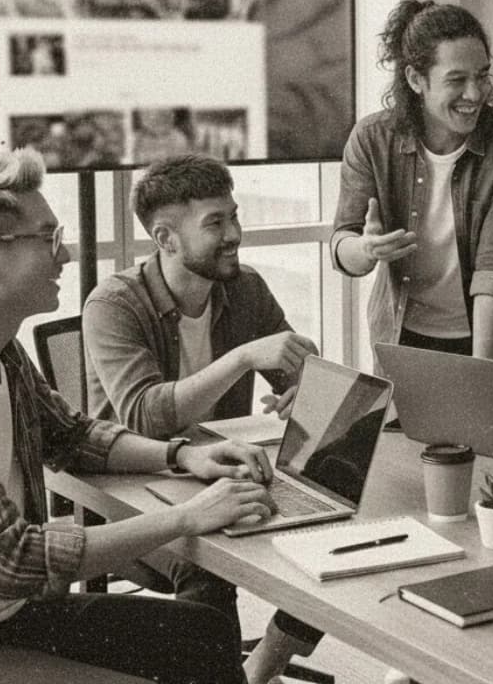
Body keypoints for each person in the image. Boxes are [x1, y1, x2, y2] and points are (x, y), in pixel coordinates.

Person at [0, 148, 276, 684]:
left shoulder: (1, 349)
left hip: (7, 614)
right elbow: (8, 558)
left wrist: (184, 455)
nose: (67, 253)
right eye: (48, 238)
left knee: (205, 634)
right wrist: (186, 517)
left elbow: (74, 435)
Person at [83, 154, 321, 684]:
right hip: (129, 495)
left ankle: (257, 672)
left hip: (222, 475)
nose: (234, 233)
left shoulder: (245, 288)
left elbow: (294, 372)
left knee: (330, 536)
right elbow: (145, 415)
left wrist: (305, 386)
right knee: (206, 572)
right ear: (166, 238)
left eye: (233, 216)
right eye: (215, 223)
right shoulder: (113, 304)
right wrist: (241, 358)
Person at [331, 0, 493, 396]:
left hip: (482, 337)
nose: (475, 94)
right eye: (456, 80)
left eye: (482, 76)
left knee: (474, 452)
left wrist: (481, 375)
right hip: (400, 337)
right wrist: (367, 250)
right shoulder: (372, 138)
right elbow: (342, 247)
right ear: (415, 79)